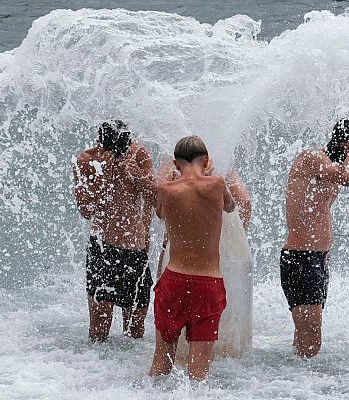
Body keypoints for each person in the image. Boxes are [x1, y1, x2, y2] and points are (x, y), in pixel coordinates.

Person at [282, 119, 349, 358]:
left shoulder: (334, 169)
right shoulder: (312, 159)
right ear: (343, 143)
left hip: (319, 260)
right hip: (300, 260)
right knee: (311, 345)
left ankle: (292, 384)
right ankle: (294, 388)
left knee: (304, 340)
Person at [149, 135, 236, 381]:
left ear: (176, 165)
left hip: (174, 280)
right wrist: (208, 174)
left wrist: (169, 179)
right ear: (206, 161)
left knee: (160, 364)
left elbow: (159, 212)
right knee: (198, 374)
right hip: (207, 284)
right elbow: (229, 207)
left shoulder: (166, 190)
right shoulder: (216, 184)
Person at [72, 120, 156, 342]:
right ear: (100, 144)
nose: (119, 157)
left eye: (123, 151)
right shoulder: (87, 160)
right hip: (103, 249)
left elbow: (155, 200)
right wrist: (104, 177)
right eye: (114, 152)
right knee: (99, 333)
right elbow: (86, 210)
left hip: (135, 250)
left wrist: (138, 175)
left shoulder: (139, 155)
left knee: (135, 333)